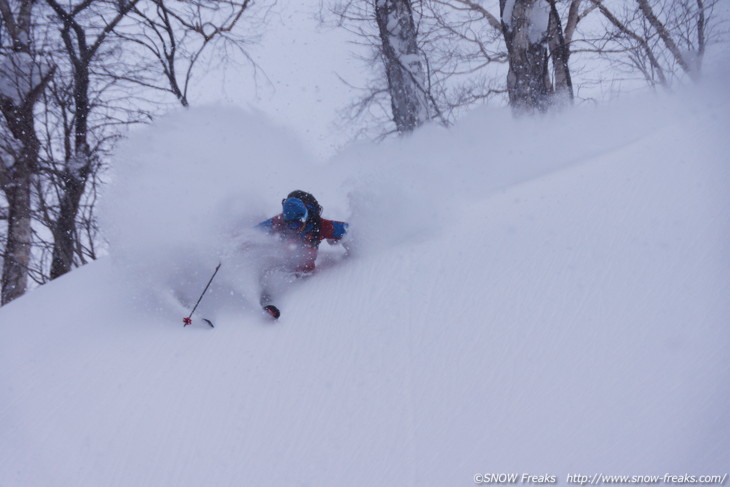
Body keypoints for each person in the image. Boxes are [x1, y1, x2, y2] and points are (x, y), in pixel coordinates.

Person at [255, 190, 349, 318]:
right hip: (289, 248)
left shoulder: (320, 226)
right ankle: (267, 297)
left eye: (298, 222)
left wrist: (350, 244)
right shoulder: (280, 222)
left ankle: (298, 279)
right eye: (291, 224)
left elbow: (349, 230)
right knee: (276, 257)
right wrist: (237, 241)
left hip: (307, 250)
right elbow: (255, 232)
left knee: (305, 263)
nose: (296, 227)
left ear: (305, 216)